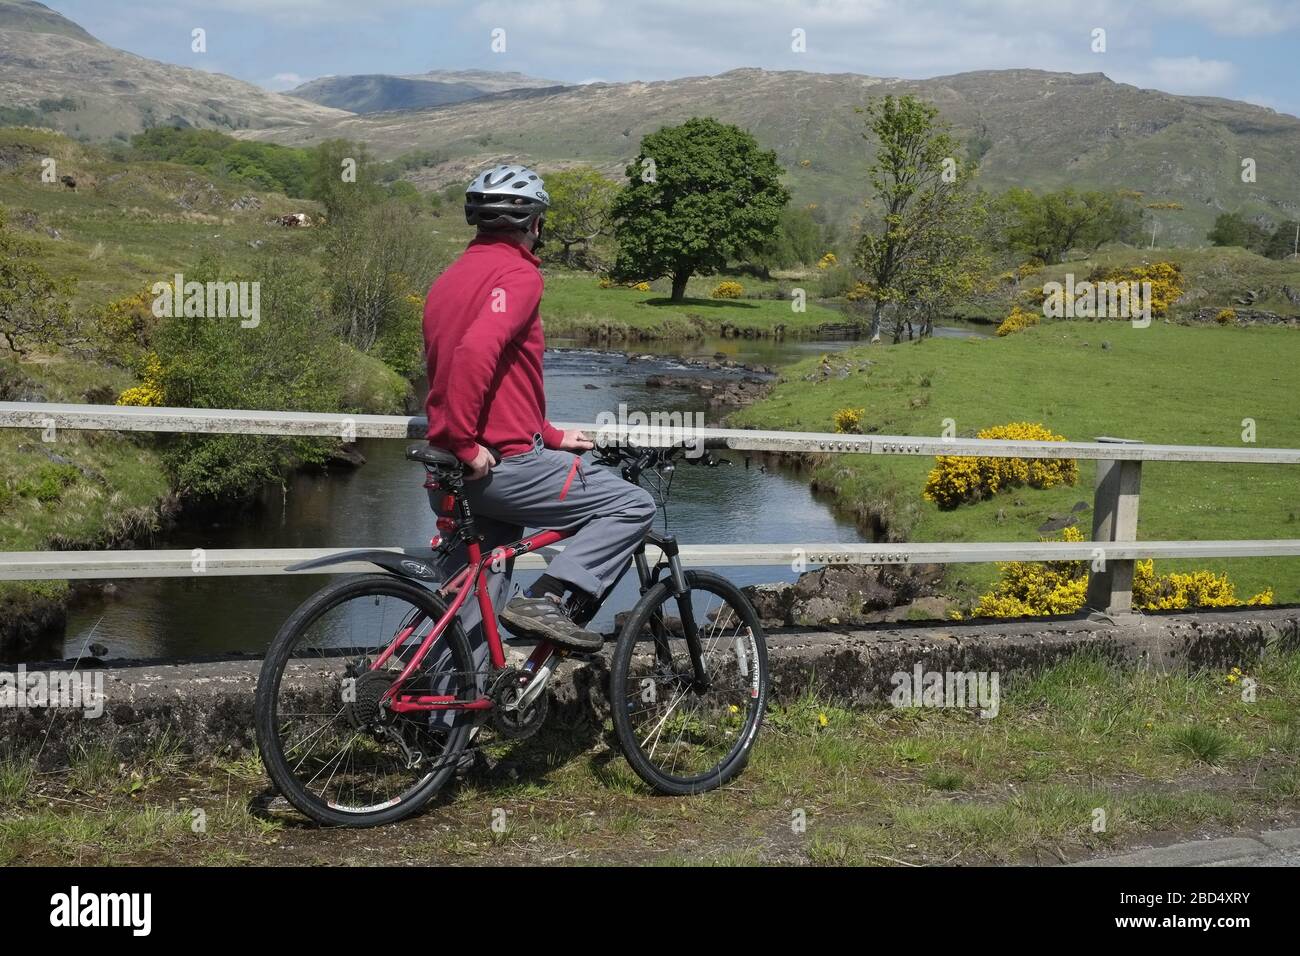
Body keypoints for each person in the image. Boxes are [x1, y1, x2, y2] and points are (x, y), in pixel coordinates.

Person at [422, 164, 656, 657]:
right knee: (631, 504)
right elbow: (474, 353)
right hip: (500, 467)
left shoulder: (449, 279)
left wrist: (547, 434)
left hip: (449, 473)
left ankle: (442, 724)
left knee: (472, 607)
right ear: (534, 224)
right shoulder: (519, 274)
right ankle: (548, 599)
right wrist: (465, 441)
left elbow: (506, 377)